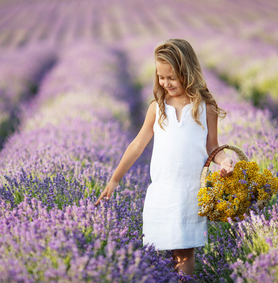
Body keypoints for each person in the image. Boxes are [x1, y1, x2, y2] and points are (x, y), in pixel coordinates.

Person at [95, 38, 234, 276]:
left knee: (184, 251)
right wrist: (115, 179)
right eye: (161, 77)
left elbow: (213, 147)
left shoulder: (205, 107)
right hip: (163, 191)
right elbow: (137, 145)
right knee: (160, 250)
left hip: (191, 192)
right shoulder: (157, 108)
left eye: (172, 77)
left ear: (188, 73)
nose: (165, 83)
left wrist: (225, 161)